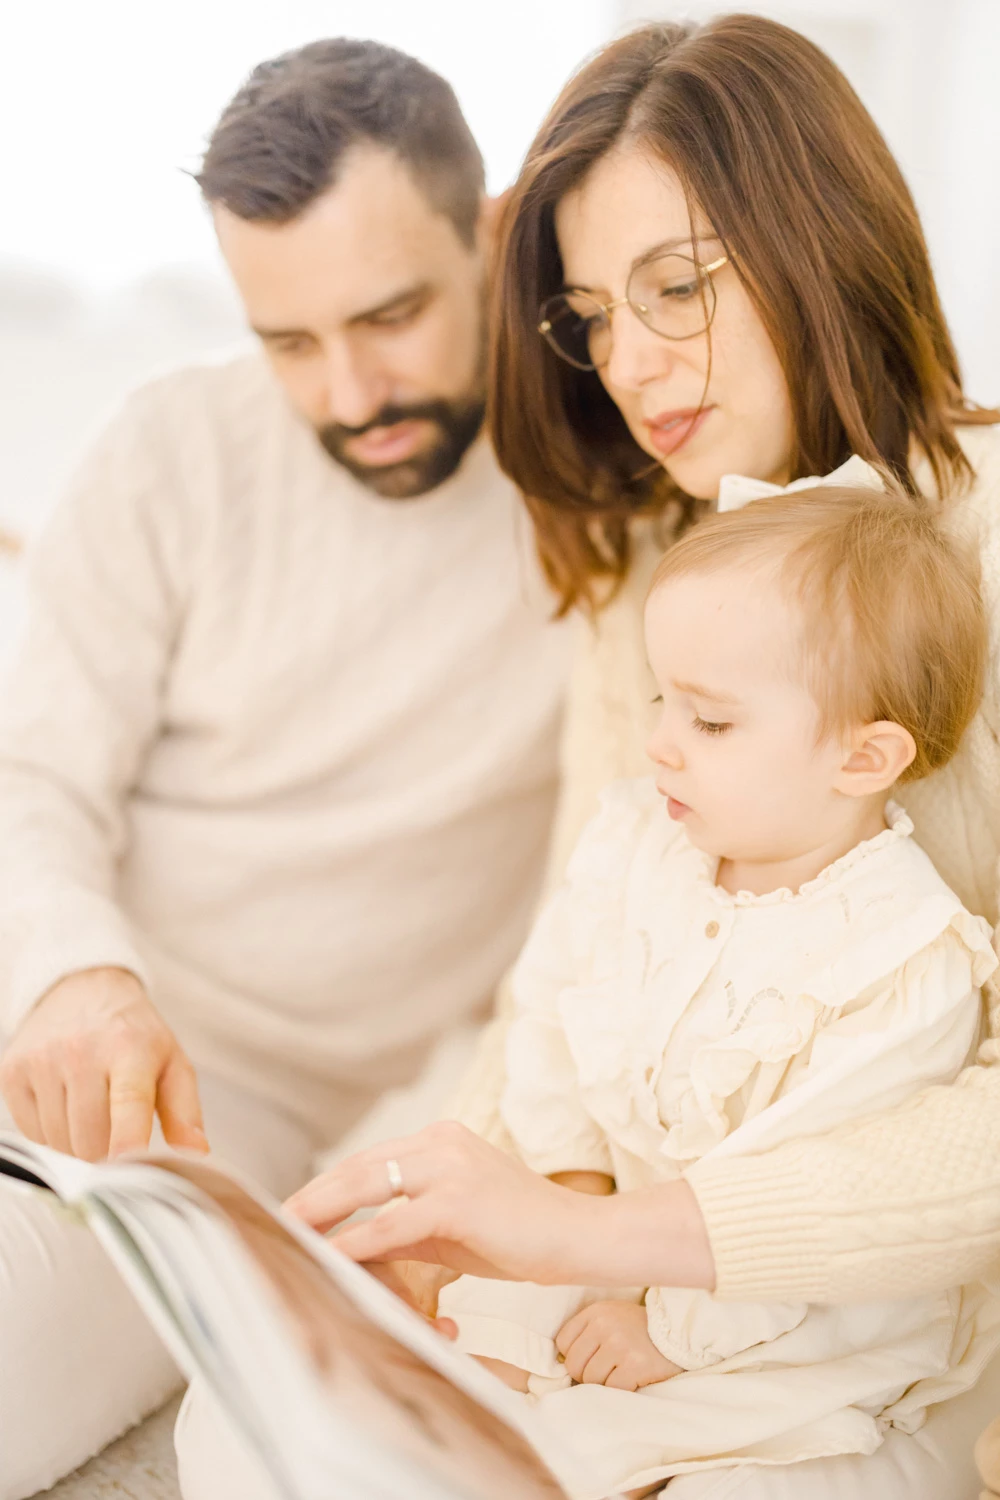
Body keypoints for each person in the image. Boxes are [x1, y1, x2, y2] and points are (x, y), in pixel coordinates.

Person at [283, 14, 1000, 1500]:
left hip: (883, 1326)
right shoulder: (646, 585)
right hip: (630, 1268)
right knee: (277, 1417)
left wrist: (604, 1250)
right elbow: (569, 969)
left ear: (819, 238)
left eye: (677, 287)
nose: (632, 361)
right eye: (595, 316)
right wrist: (464, 1229)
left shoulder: (983, 540)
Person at [0, 39, 567, 1499]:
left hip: (215, 1121)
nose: (354, 391)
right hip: (63, 985)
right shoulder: (171, 447)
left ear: (491, 233)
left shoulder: (605, 503)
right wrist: (70, 972)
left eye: (392, 315)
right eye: (290, 342)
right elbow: (29, 775)